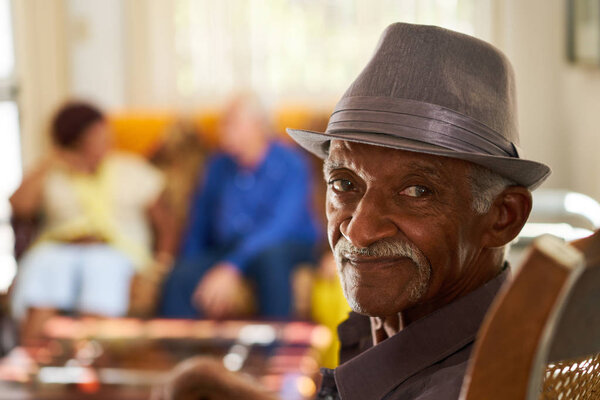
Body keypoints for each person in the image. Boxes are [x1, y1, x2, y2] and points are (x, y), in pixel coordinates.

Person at [286, 23, 551, 399]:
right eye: (344, 184)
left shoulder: (468, 388)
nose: (358, 231)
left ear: (502, 216)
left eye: (416, 191)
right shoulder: (401, 323)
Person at [10, 101, 174, 342]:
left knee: (100, 271)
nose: (106, 141)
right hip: (59, 250)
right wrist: (52, 161)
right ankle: (31, 363)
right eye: (96, 136)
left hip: (114, 251)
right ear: (76, 141)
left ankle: (90, 363)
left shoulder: (129, 169)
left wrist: (162, 262)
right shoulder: (54, 173)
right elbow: (19, 206)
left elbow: (166, 222)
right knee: (44, 269)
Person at [160, 94, 321, 319]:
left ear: (258, 126)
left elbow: (279, 226)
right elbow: (199, 223)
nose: (222, 130)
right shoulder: (217, 165)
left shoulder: (291, 164)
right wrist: (191, 262)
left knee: (270, 258)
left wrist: (232, 266)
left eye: (231, 123)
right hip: (230, 247)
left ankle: (273, 350)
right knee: (180, 277)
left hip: (286, 246)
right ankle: (184, 353)